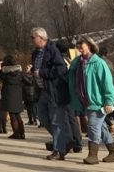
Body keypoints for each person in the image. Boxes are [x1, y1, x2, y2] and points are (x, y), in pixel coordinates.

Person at [68, 35, 114, 164]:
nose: (79, 47)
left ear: (90, 46)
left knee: (93, 127)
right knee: (101, 128)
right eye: (78, 45)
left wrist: (109, 101)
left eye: (82, 44)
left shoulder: (98, 63)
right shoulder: (78, 62)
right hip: (85, 102)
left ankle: (93, 155)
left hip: (97, 103)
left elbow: (107, 83)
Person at [31, 27, 72, 161]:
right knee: (42, 116)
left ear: (41, 38)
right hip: (43, 90)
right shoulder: (36, 52)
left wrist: (42, 73)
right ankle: (63, 140)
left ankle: (59, 149)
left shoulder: (52, 49)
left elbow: (61, 68)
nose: (32, 40)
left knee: (56, 120)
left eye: (33, 37)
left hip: (54, 90)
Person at [0, 55, 25, 139]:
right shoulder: (19, 71)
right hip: (18, 92)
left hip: (8, 92)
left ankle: (16, 133)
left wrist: (0, 68)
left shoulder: (4, 71)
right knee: (18, 114)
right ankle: (22, 133)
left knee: (12, 114)